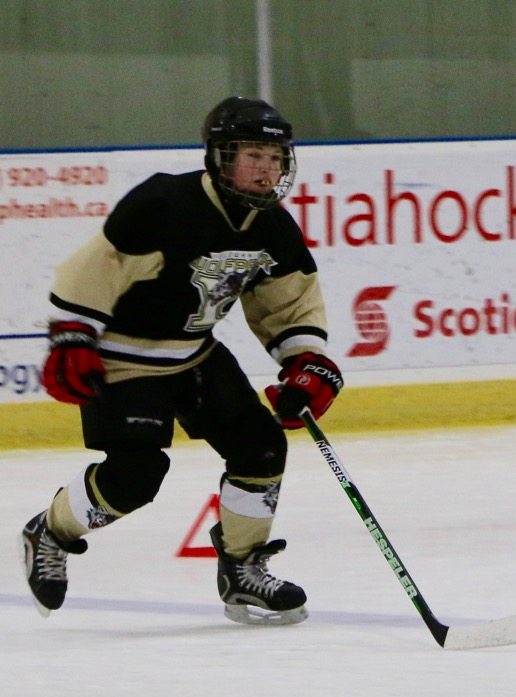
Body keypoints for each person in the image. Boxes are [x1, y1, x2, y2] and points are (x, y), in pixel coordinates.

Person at [19, 96, 344, 626]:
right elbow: (96, 269)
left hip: (196, 356)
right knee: (135, 477)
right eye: (253, 154)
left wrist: (308, 362)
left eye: (276, 156)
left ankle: (241, 569)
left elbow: (289, 303)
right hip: (124, 360)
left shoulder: (272, 228)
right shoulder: (164, 205)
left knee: (260, 447)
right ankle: (50, 531)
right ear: (219, 157)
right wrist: (72, 336)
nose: (267, 168)